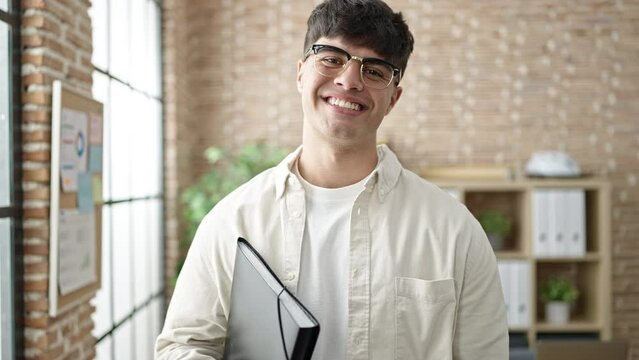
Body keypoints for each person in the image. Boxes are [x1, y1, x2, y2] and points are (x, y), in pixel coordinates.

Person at [155, 0, 508, 359]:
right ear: (300, 73)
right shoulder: (232, 220)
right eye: (331, 58)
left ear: (393, 99)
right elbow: (184, 346)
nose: (349, 80)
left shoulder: (454, 231)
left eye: (374, 71)